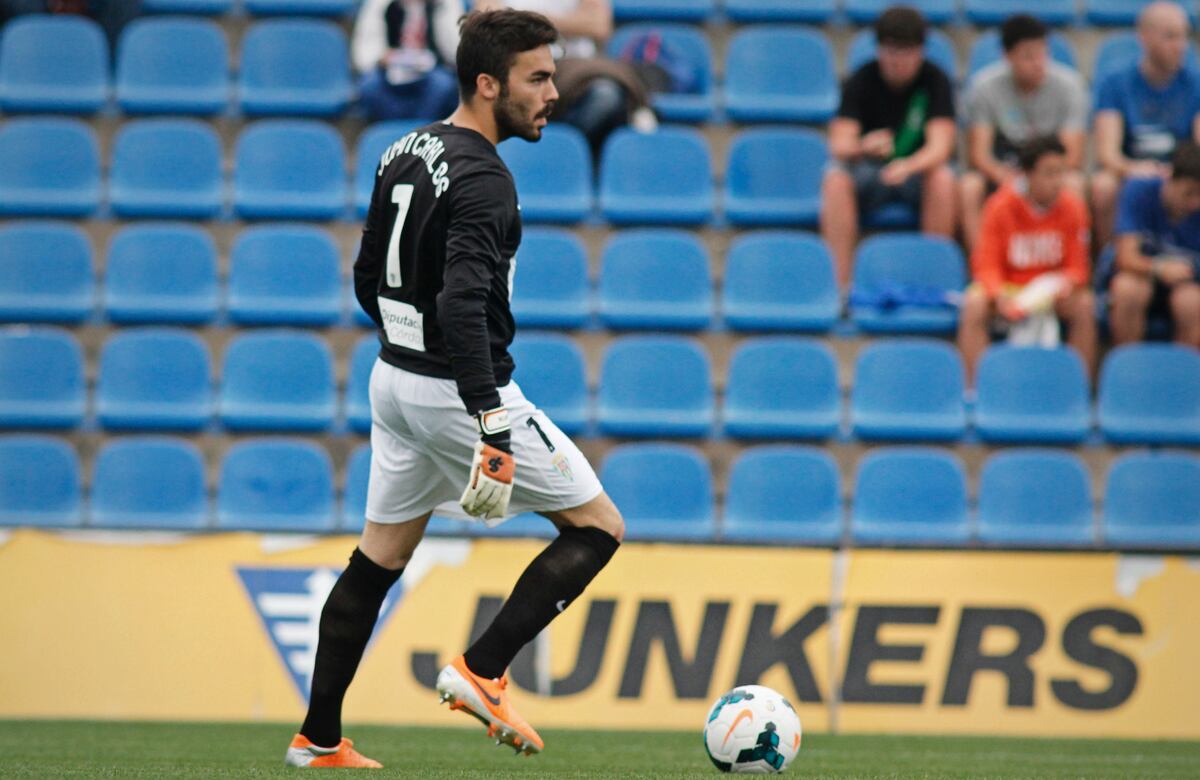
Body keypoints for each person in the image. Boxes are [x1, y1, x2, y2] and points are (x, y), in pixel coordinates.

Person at [284, 10, 624, 768]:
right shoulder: (484, 179)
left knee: (375, 562)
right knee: (599, 527)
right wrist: (491, 424)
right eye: (537, 78)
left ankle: (319, 737)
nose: (553, 94)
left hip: (394, 380)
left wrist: (407, 345)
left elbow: (367, 277)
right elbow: (462, 305)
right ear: (486, 83)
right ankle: (483, 669)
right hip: (455, 393)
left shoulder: (403, 148)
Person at [820, 5, 957, 290]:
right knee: (834, 179)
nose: (898, 61)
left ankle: (934, 282)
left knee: (944, 179)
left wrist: (908, 165)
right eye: (891, 51)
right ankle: (839, 288)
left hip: (916, 173)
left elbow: (940, 147)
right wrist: (862, 147)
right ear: (879, 49)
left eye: (906, 52)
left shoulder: (936, 81)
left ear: (920, 51)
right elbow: (839, 144)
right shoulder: (861, 80)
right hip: (870, 172)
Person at [957, 136, 1095, 387]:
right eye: (1049, 173)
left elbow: (1078, 267)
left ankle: (1079, 389)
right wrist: (998, 294)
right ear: (1027, 175)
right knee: (974, 302)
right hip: (1011, 288)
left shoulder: (1073, 207)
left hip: (1051, 292)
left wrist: (1067, 284)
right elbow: (986, 264)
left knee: (1085, 304)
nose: (1057, 182)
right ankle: (975, 390)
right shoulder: (1000, 206)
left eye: (1061, 173)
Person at [959, 14, 1089, 253]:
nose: (1038, 62)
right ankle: (982, 265)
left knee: (1074, 183)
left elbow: (1072, 155)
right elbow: (978, 154)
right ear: (1007, 56)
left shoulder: (1070, 86)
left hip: (1050, 170)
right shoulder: (984, 87)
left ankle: (1073, 265)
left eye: (1042, 53)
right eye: (1028, 56)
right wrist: (1007, 177)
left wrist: (1039, 178)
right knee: (969, 185)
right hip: (1004, 169)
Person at [476, 0, 656, 155]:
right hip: (514, 67)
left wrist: (528, 22)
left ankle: (557, 155)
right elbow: (486, 25)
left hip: (575, 73)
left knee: (605, 97)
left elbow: (599, 25)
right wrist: (568, 23)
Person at [1091, 1, 1200, 249]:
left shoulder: (1195, 83)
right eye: (1171, 37)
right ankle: (1111, 262)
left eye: (1184, 36)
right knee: (1103, 186)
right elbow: (1107, 154)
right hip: (1131, 171)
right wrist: (1135, 168)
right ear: (1145, 38)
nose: (1180, 46)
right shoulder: (1115, 82)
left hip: (1182, 173)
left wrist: (1177, 174)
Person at [1101, 140, 1200, 347]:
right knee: (1127, 289)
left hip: (1187, 285)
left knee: (1191, 303)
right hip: (1144, 277)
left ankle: (1185, 375)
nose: (1195, 203)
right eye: (1189, 192)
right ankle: (1129, 372)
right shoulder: (1139, 190)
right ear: (1170, 178)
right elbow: (1125, 257)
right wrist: (1160, 268)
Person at [351, 0, 463, 121]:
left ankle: (425, 132)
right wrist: (382, 57)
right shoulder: (378, 3)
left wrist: (440, 10)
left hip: (432, 73)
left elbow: (456, 53)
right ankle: (390, 131)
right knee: (369, 86)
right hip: (388, 73)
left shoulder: (447, 3)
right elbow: (364, 54)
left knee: (444, 85)